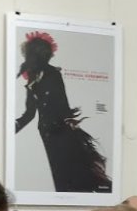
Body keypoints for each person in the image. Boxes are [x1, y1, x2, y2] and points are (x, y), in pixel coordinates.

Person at [13, 30, 111, 193]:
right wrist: (14, 127)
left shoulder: (53, 74)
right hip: (47, 133)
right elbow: (30, 113)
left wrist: (69, 124)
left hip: (61, 132)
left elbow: (62, 104)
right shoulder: (32, 79)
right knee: (59, 173)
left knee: (71, 173)